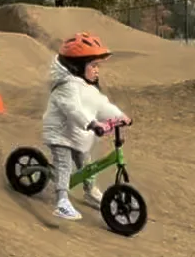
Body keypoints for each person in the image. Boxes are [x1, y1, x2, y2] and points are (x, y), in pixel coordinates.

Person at [41, 32, 130, 221]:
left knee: (86, 164)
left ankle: (90, 191)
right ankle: (62, 202)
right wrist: (91, 123)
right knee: (64, 165)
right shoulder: (66, 85)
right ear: (78, 66)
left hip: (77, 134)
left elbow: (102, 105)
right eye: (94, 65)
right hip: (60, 134)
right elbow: (72, 109)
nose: (97, 70)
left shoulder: (88, 86)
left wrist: (120, 116)